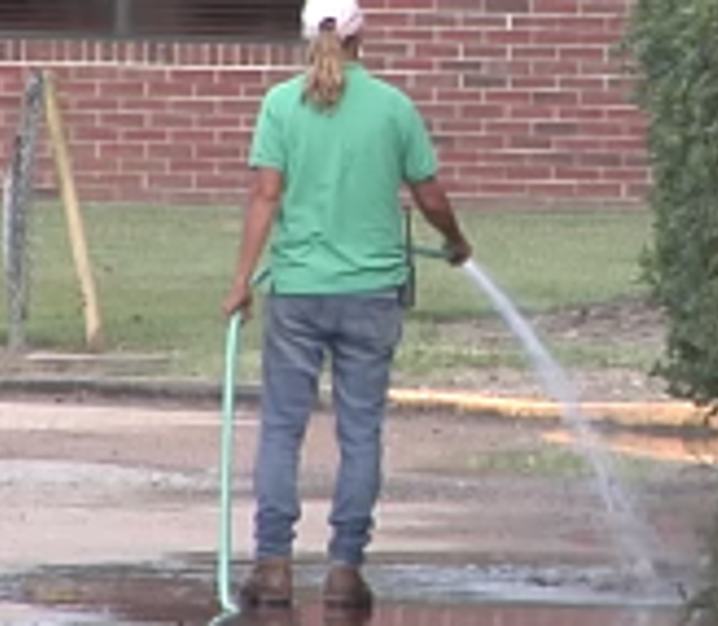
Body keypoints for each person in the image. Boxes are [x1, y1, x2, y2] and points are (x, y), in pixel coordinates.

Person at [220, 0, 472, 612]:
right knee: (361, 432)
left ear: (305, 38)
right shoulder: (392, 107)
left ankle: (273, 564)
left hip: (300, 291)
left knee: (282, 428)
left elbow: (265, 196)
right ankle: (343, 569)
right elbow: (430, 193)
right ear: (363, 35)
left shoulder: (281, 105)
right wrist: (455, 241)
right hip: (370, 294)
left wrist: (241, 280)